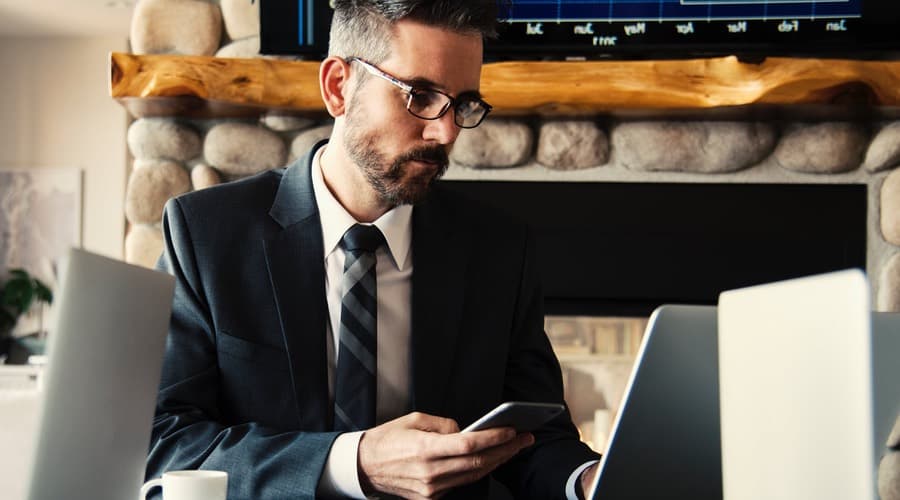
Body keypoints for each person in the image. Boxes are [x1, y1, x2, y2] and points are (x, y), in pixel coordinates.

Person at [146, 1, 601, 498]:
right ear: (338, 87)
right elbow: (167, 442)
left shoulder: (499, 250)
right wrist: (353, 462)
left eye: (463, 104)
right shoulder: (205, 234)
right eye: (421, 96)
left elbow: (535, 440)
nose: (445, 132)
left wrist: (588, 482)